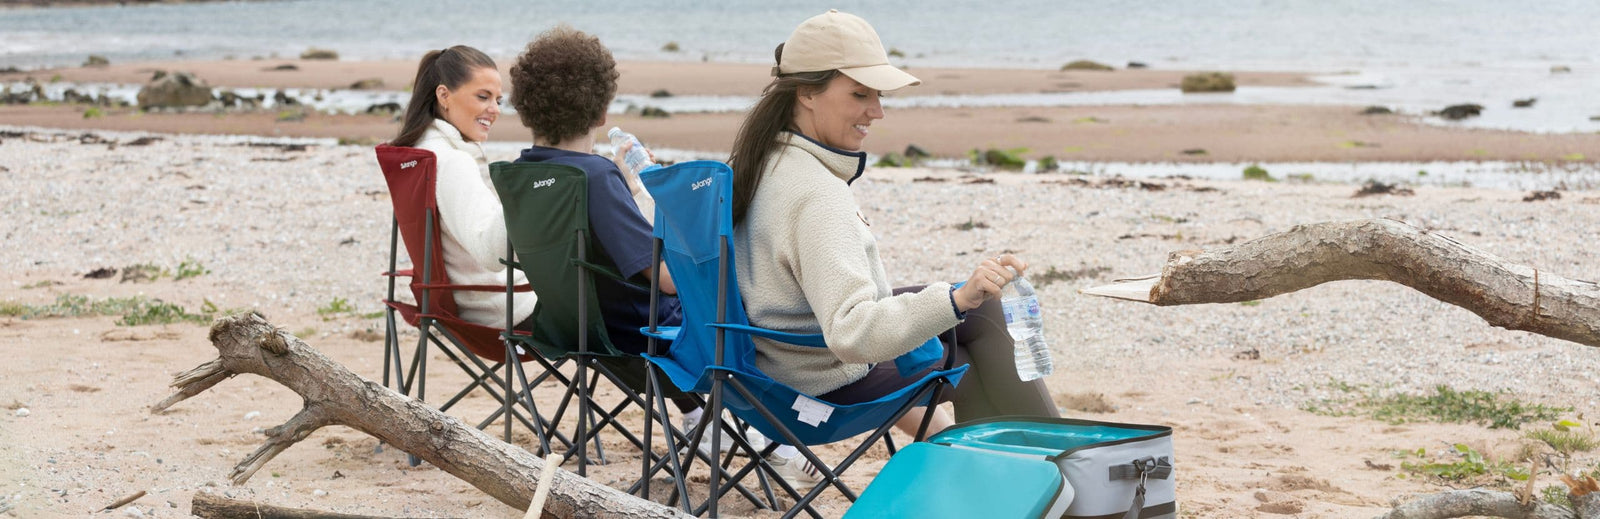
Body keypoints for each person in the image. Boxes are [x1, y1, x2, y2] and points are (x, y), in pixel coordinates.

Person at [728, 8, 1060, 466]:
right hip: (823, 383)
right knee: (982, 322)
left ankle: (1002, 464)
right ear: (806, 92)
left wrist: (956, 299)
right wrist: (958, 298)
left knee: (983, 311)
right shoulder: (817, 195)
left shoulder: (758, 162)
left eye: (879, 94)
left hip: (763, 371)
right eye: (860, 93)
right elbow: (853, 333)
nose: (877, 111)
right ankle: (1055, 471)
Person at [505, 25, 767, 463]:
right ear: (602, 111)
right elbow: (664, 279)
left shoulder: (519, 174)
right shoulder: (594, 177)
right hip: (639, 335)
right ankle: (770, 431)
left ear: (527, 108)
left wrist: (623, 187)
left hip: (572, 326)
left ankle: (712, 421)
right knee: (753, 307)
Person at [390, 45, 536, 329]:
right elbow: (495, 254)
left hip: (464, 304)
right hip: (506, 309)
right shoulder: (452, 162)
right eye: (483, 97)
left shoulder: (421, 154)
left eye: (498, 100)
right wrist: (527, 198)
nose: (493, 110)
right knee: (627, 309)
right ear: (444, 95)